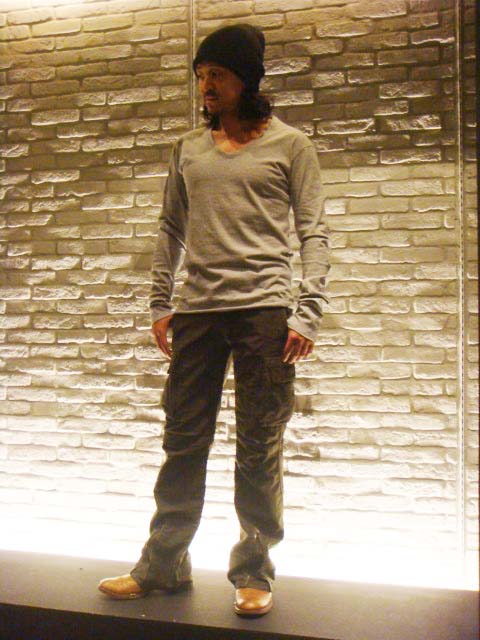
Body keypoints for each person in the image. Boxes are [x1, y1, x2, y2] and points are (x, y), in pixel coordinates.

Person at [98, 23, 330, 617]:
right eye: (201, 76)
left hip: (263, 312)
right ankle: (164, 563)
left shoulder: (291, 145)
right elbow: (170, 228)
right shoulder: (188, 148)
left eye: (218, 75)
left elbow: (313, 232)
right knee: (183, 440)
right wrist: (160, 303)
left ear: (245, 80)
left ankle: (253, 569)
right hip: (197, 311)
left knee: (259, 443)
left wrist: (307, 312)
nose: (207, 86)